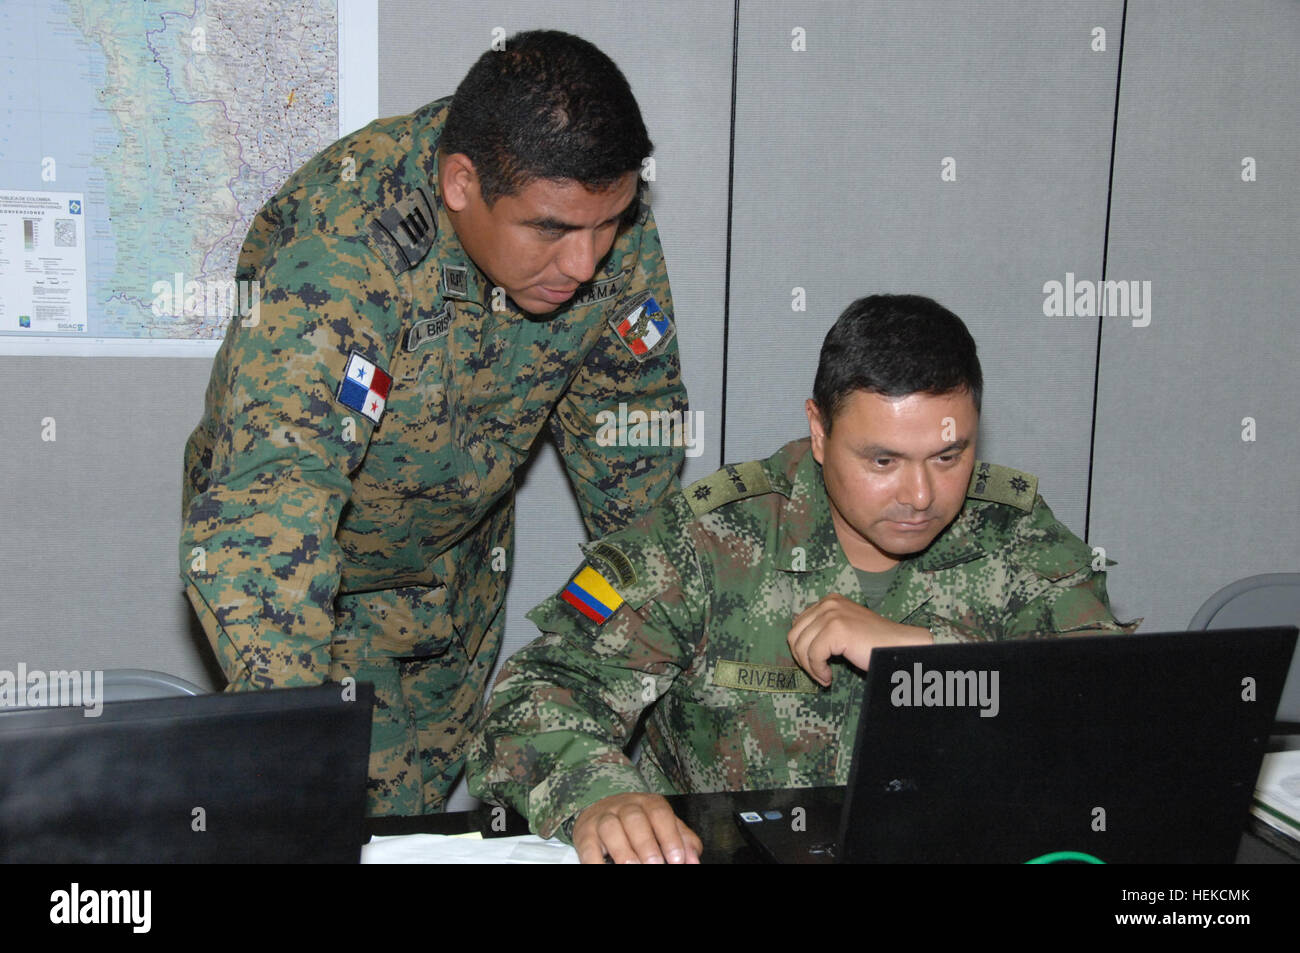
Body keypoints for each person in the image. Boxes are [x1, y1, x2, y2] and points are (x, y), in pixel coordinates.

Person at [180, 31, 687, 816]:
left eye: (611, 222)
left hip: (459, 567)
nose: (587, 264)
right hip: (319, 587)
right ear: (461, 183)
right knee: (330, 813)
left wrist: (643, 641)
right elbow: (270, 514)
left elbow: (633, 448)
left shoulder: (589, 215)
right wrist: (291, 748)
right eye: (551, 231)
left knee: (422, 816)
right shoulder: (347, 251)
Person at [468, 294, 1138, 863]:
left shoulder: (1016, 536)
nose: (921, 493)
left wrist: (925, 658)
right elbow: (533, 696)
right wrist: (601, 796)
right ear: (819, 431)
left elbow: (1122, 716)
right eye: (882, 459)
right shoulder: (707, 541)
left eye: (948, 455)